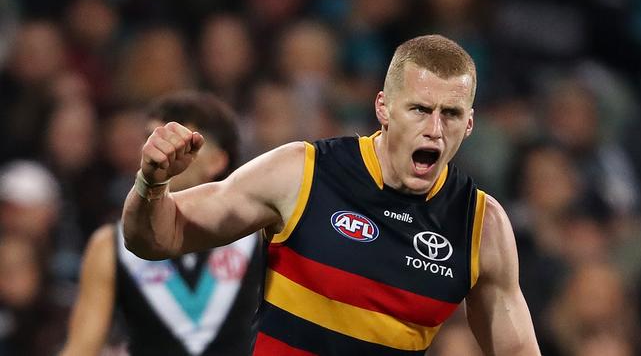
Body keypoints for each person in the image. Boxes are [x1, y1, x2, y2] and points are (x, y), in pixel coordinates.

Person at [123, 35, 541, 355]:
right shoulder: (302, 173)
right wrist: (152, 183)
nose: (434, 129)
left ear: (469, 124)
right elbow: (158, 237)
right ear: (383, 107)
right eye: (419, 109)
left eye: (450, 114)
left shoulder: (479, 226)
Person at [61, 91, 263, 356]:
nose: (157, 150)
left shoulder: (259, 233)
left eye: (179, 142)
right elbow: (81, 349)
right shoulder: (109, 245)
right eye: (150, 139)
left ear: (216, 161)